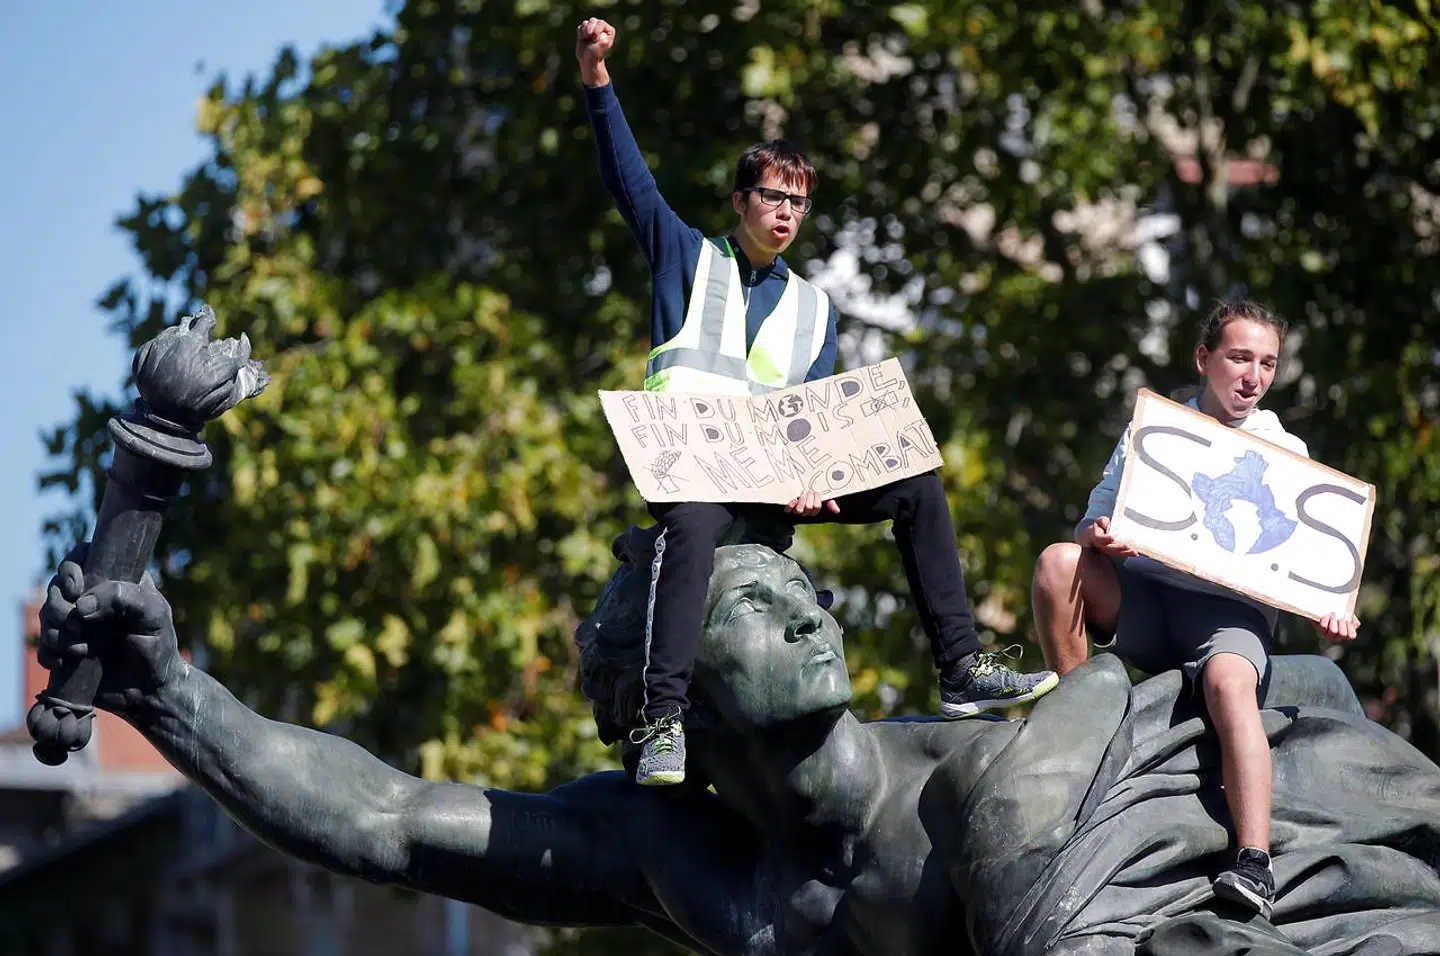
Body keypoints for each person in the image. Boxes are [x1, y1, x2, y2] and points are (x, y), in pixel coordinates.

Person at [34, 539, 1440, 955]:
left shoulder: (967, 790)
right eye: (753, 608)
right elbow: (392, 821)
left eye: (800, 589)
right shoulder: (666, 853)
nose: (810, 612)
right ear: (675, 687)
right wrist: (165, 694)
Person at [575, 15, 1056, 786]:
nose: (788, 213)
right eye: (774, 196)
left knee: (916, 481)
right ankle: (661, 718)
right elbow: (627, 178)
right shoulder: (686, 258)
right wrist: (597, 79)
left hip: (776, 485)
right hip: (694, 474)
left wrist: (815, 473)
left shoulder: (814, 307)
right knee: (694, 527)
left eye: (799, 202)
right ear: (741, 201)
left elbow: (813, 415)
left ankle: (962, 666)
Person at [1029, 299, 1362, 919]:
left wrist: (1330, 611)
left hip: (1226, 617)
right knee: (1056, 563)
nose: (1253, 376)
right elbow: (1088, 523)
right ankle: (1078, 741)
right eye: (1240, 357)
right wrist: (1097, 535)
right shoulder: (1155, 429)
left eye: (1267, 363)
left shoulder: (1286, 449)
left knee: (1229, 683)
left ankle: (1254, 862)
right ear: (1204, 359)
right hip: (1148, 601)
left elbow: (1313, 570)